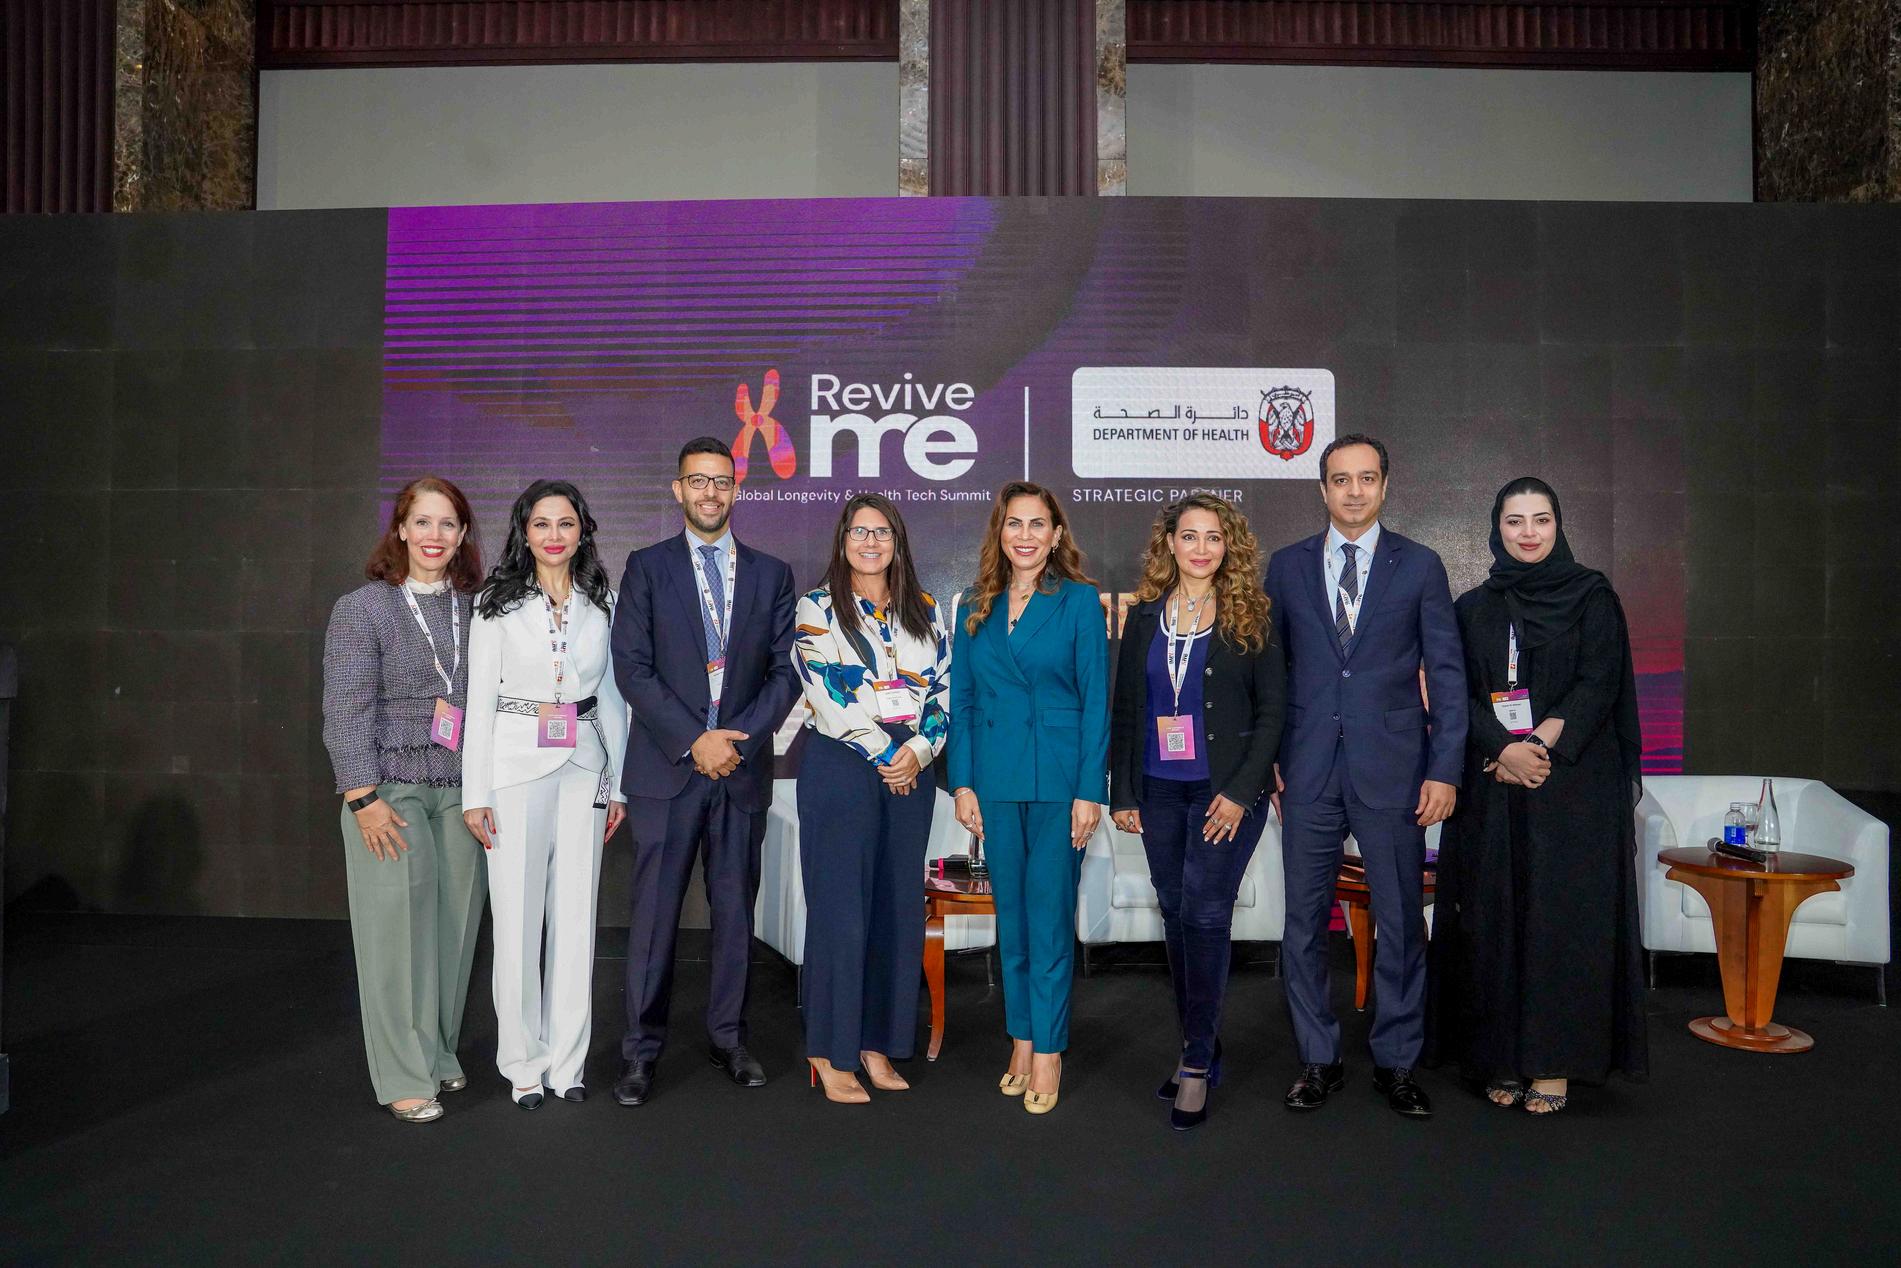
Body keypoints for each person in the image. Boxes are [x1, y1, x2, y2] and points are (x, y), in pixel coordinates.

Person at [1425, 477, 1648, 1114]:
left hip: (1572, 788)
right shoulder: (1473, 608)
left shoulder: (1593, 597)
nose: (1528, 533)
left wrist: (1536, 746)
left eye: (1541, 519)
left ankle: (1554, 1065)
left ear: (1558, 525)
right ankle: (1498, 1055)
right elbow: (1455, 692)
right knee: (1493, 917)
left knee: (1561, 923)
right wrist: (1502, 750)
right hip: (1493, 787)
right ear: (1496, 529)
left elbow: (1599, 682)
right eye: (1515, 521)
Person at [1264, 434, 1467, 1120]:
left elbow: (1446, 675)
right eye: (1341, 479)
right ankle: (1316, 1059)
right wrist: (1270, 758)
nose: (1354, 491)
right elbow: (1272, 672)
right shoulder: (1287, 566)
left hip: (1396, 774)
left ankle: (1396, 1061)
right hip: (1306, 772)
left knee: (1402, 921)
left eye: (1367, 478)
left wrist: (1444, 769)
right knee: (1302, 923)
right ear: (1322, 489)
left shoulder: (1421, 566)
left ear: (1384, 485)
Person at [610, 437, 800, 1106]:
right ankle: (640, 1052)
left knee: (734, 916)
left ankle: (728, 1038)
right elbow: (632, 667)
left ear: (736, 489)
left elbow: (785, 673)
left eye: (721, 481)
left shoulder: (772, 574)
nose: (710, 493)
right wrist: (695, 740)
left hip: (739, 772)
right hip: (668, 770)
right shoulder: (646, 567)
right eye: (698, 481)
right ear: (678, 490)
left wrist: (733, 744)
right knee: (654, 918)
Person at [1109, 494, 1284, 1131]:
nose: (1201, 548)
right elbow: (1128, 707)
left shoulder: (1252, 615)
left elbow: (1273, 712)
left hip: (1224, 792)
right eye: (1190, 536)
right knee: (1176, 911)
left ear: (1229, 545)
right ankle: (1200, 1043)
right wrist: (1122, 793)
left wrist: (1241, 791)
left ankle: (1196, 1061)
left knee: (1207, 912)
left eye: (1214, 537)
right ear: (1171, 543)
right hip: (1159, 790)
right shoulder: (1144, 615)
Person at [321, 476, 486, 1123]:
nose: (433, 536)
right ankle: (401, 1076)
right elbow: (345, 709)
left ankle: (438, 1054)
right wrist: (362, 798)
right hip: (389, 789)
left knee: (454, 933)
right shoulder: (362, 609)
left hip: (463, 788)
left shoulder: (479, 609)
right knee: (396, 939)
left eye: (447, 524)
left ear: (463, 534)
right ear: (400, 529)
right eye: (422, 522)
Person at [462, 480, 630, 1109]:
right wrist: (475, 793)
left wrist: (620, 785)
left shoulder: (603, 600)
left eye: (565, 524)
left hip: (585, 766)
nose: (554, 535)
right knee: (516, 918)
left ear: (583, 530)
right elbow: (479, 700)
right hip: (514, 768)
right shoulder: (496, 601)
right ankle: (523, 1065)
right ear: (524, 532)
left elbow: (612, 698)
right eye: (541, 524)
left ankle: (568, 1064)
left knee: (577, 918)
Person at [947, 481, 1108, 1116]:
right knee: (1011, 922)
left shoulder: (1079, 601)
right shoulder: (974, 604)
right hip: (995, 781)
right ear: (1000, 531)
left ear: (1056, 534)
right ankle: (1020, 1040)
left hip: (1059, 783)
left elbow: (1095, 702)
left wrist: (1089, 792)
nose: (1025, 535)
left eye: (1038, 524)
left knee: (1049, 920)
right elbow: (962, 701)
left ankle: (1049, 1051)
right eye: (1014, 523)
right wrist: (963, 783)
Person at [791, 494, 952, 1104]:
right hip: (843, 768)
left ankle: (877, 1043)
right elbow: (825, 690)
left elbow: (944, 688)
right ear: (842, 541)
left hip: (912, 772)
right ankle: (830, 1050)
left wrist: (920, 751)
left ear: (897, 542)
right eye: (859, 532)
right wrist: (888, 754)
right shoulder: (817, 607)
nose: (870, 542)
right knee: (841, 910)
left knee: (897, 908)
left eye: (881, 532)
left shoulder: (926, 610)